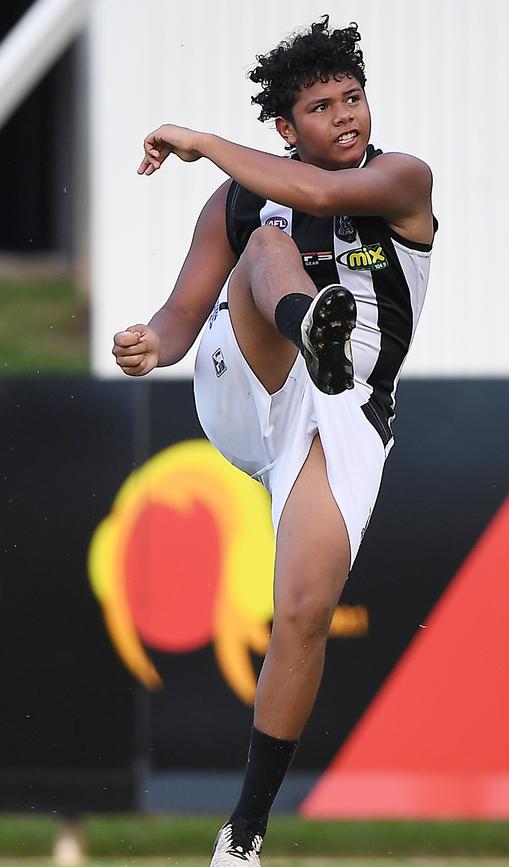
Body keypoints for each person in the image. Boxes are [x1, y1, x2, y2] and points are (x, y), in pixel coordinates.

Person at [112, 15, 437, 866]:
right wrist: (150, 342)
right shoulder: (240, 199)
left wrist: (203, 139)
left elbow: (325, 195)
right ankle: (309, 327)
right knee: (266, 241)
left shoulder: (403, 178)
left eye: (353, 98)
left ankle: (242, 837)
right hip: (252, 376)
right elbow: (180, 314)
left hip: (351, 409)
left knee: (302, 611)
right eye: (322, 107)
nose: (346, 117)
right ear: (286, 131)